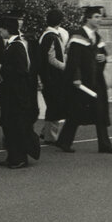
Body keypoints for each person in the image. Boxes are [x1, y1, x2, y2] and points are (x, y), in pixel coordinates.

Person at [55, 6, 112, 155]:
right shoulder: (78, 36)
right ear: (88, 18)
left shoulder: (97, 38)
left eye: (100, 17)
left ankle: (104, 144)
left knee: (100, 111)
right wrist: (76, 78)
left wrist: (103, 58)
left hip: (96, 80)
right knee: (75, 112)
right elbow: (74, 61)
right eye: (96, 17)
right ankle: (64, 141)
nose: (99, 20)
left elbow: (103, 55)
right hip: (81, 82)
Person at [0, 17, 41, 169]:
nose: (0, 31)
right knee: (10, 126)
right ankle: (12, 156)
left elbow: (21, 70)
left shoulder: (16, 46)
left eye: (1, 28)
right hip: (13, 94)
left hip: (16, 95)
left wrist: (2, 68)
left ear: (7, 29)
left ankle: (19, 158)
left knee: (16, 126)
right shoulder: (14, 45)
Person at [38, 9, 69, 145]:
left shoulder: (48, 35)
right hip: (51, 77)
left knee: (54, 105)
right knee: (54, 105)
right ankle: (51, 136)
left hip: (51, 77)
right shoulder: (51, 37)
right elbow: (51, 58)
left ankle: (46, 132)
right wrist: (65, 66)